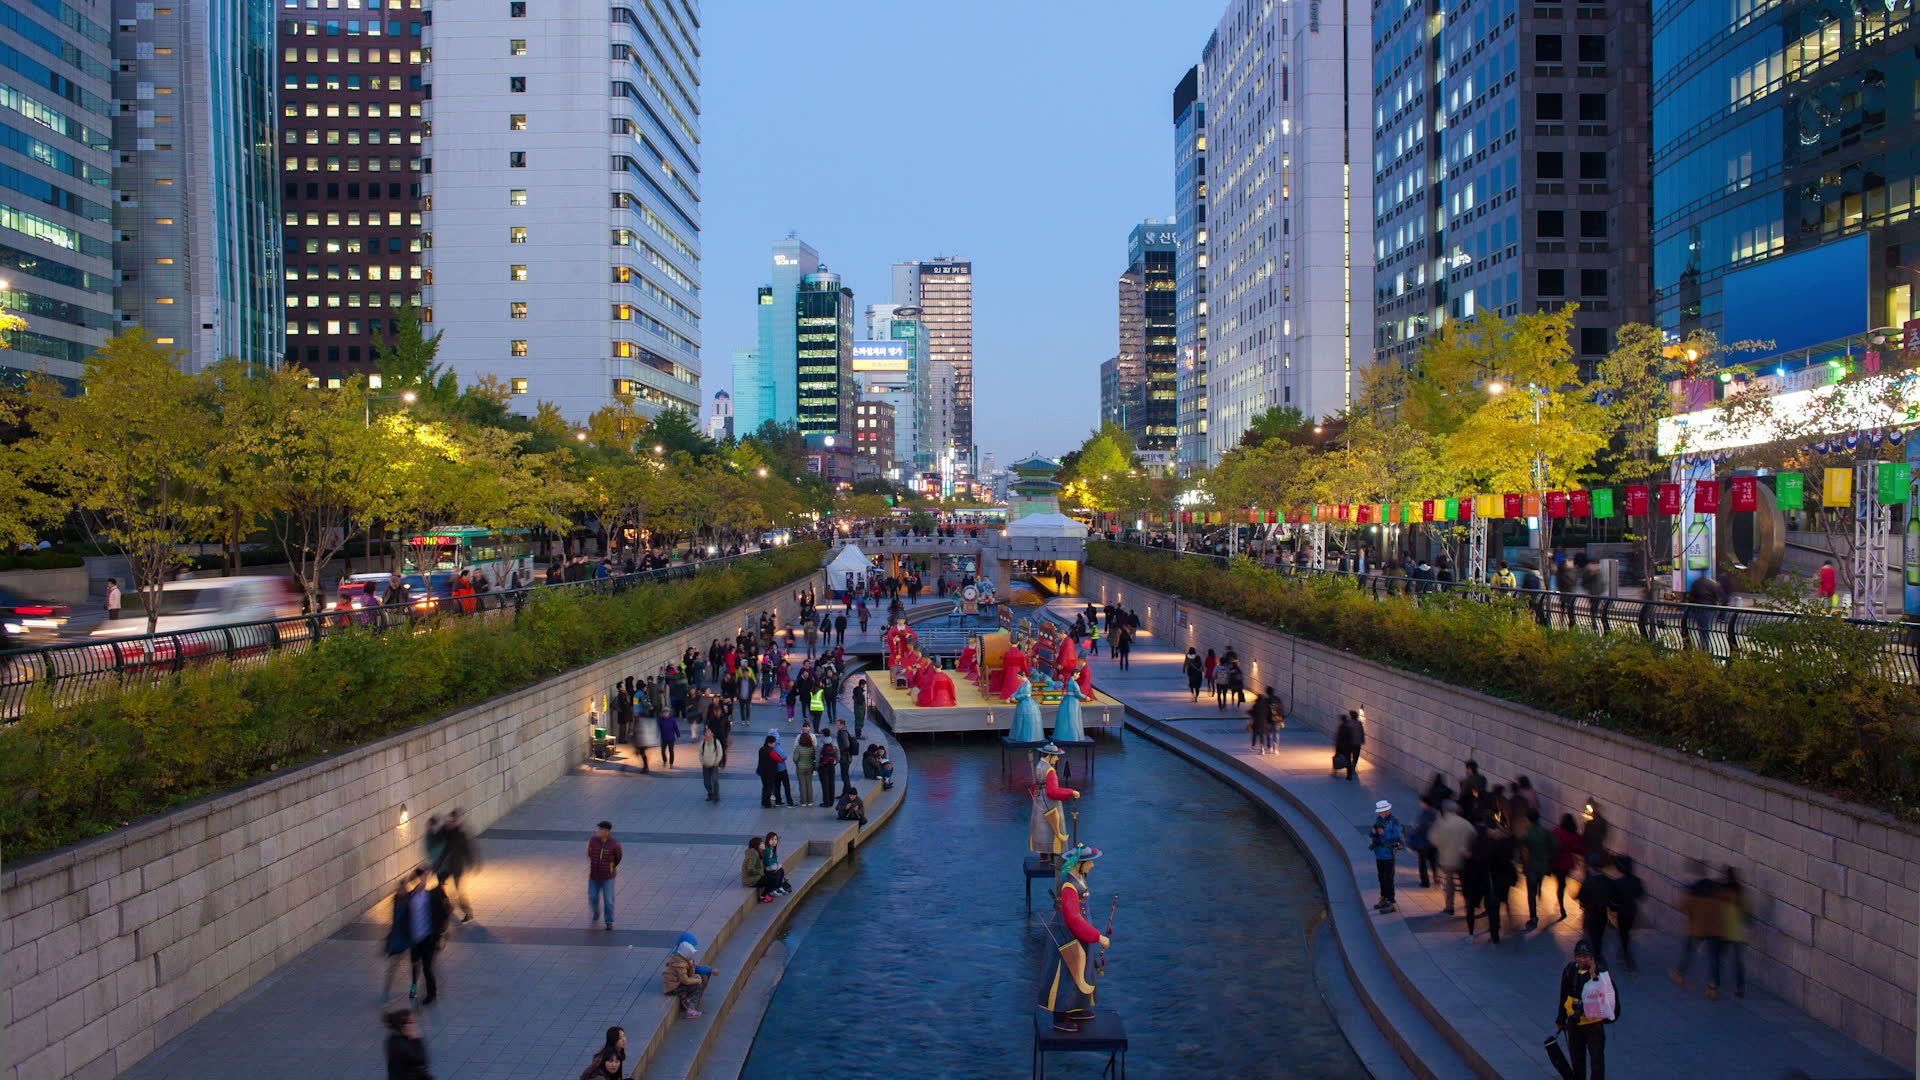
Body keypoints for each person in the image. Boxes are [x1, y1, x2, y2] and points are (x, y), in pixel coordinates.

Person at [385, 867, 451, 1005]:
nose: (422, 882)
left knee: (427, 967)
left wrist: (442, 930)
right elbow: (399, 906)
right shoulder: (409, 898)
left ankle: (431, 994)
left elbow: (445, 910)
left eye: (425, 879)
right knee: (415, 964)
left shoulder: (432, 895)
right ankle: (414, 987)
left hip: (428, 938)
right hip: (415, 939)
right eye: (420, 880)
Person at [1555, 939, 1618, 1080]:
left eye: (1585, 957)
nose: (1582, 960)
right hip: (1574, 1022)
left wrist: (1594, 974)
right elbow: (1563, 994)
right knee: (1577, 1060)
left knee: (1597, 1061)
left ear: (1591, 957)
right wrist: (1561, 1018)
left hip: (1593, 1023)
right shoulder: (1570, 970)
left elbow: (1607, 992)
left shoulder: (1600, 972)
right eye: (1579, 956)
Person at [1429, 800, 1475, 916]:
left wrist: (1442, 846)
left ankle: (1449, 907)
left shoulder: (1441, 823)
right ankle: (1468, 903)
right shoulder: (1465, 823)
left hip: (1447, 858)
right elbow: (1474, 837)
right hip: (1462, 857)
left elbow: (1433, 839)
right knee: (1465, 882)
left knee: (1449, 883)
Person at [431, 810, 477, 923]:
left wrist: (471, 862)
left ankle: (468, 913)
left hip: (457, 867)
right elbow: (440, 840)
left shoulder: (460, 834)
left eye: (453, 821)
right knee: (440, 885)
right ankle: (446, 907)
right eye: (450, 820)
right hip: (448, 866)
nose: (451, 823)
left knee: (458, 891)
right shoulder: (448, 832)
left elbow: (467, 850)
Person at [662, 932, 717, 1019]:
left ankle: (689, 999)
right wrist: (697, 980)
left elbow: (692, 973)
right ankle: (690, 1009)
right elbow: (685, 980)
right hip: (673, 988)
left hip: (678, 982)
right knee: (697, 986)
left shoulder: (683, 959)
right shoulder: (680, 963)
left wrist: (691, 965)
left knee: (701, 978)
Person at [1713, 867, 1748, 999]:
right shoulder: (1740, 896)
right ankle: (1740, 988)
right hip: (1738, 934)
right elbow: (1746, 914)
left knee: (1716, 957)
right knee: (1738, 963)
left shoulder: (1722, 895)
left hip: (1724, 933)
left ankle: (1716, 982)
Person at [1577, 855, 1617, 964]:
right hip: (1602, 913)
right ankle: (1598, 954)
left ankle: (1592, 956)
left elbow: (1581, 895)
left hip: (1591, 913)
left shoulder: (1589, 881)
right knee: (1599, 936)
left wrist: (1583, 904)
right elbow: (1613, 896)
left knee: (1590, 935)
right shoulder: (1608, 881)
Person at [1521, 809, 1555, 930]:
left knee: (1531, 894)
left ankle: (1534, 917)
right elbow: (1555, 846)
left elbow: (1523, 850)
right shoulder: (1546, 832)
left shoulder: (1528, 834)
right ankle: (1539, 887)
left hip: (1532, 867)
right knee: (1537, 882)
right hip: (1543, 866)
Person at [1368, 800, 1404, 912]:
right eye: (1380, 812)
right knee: (1381, 877)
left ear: (1388, 810)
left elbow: (1396, 836)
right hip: (1379, 853)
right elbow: (1371, 834)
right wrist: (1373, 832)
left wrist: (1385, 834)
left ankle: (1391, 901)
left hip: (1388, 854)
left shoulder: (1394, 821)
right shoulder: (1378, 820)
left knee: (1388, 878)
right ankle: (1383, 898)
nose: (1381, 814)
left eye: (1383, 811)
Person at [1611, 856, 1644, 972]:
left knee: (1623, 933)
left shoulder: (1618, 883)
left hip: (1622, 911)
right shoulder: (1637, 881)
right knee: (1626, 932)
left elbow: (1614, 899)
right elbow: (1641, 895)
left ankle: (1628, 959)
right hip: (1632, 911)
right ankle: (1623, 953)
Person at [1550, 813, 1586, 919]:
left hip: (1555, 862)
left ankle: (1561, 904)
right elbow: (1580, 849)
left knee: (1560, 883)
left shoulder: (1556, 831)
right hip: (1566, 864)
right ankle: (1561, 905)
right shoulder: (1572, 835)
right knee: (1562, 884)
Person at [587, 821, 621, 931]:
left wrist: (611, 867)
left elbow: (618, 857)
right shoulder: (593, 841)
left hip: (608, 877)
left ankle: (609, 921)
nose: (598, 831)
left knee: (609, 900)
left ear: (606, 832)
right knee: (592, 896)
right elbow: (589, 853)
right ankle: (596, 912)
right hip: (594, 876)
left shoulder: (614, 844)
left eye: (600, 829)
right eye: (598, 829)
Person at [384, 1008, 432, 1080]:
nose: (415, 1025)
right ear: (404, 1026)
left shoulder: (393, 1039)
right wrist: (416, 1040)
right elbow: (420, 1060)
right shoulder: (401, 1044)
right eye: (412, 1022)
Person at [1408, 798, 1438, 888]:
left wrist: (1416, 827)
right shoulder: (1435, 813)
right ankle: (1436, 879)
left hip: (1424, 842)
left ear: (1426, 803)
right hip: (1433, 841)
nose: (1421, 804)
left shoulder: (1425, 813)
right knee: (1433, 861)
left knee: (1423, 862)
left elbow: (1420, 826)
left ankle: (1425, 881)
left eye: (1422, 802)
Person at [757, 832, 791, 902]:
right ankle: (768, 892)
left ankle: (778, 887)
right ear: (767, 840)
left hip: (769, 868)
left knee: (781, 870)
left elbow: (775, 859)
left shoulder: (772, 849)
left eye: (775, 839)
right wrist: (777, 866)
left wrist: (777, 866)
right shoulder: (766, 850)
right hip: (763, 870)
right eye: (772, 839)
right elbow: (768, 864)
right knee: (774, 875)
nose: (774, 841)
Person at [1333, 710, 1362, 781]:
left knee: (1340, 758)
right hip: (1355, 743)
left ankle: (1336, 772)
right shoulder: (1358, 723)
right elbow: (1361, 733)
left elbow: (1340, 737)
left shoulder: (1345, 725)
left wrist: (1338, 745)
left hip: (1345, 745)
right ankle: (1351, 772)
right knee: (1354, 757)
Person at [793, 730, 818, 807]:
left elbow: (795, 758)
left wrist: (798, 763)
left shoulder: (798, 748)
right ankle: (810, 801)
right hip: (809, 767)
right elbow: (814, 757)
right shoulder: (812, 747)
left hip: (800, 767)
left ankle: (803, 801)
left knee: (802, 785)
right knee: (809, 784)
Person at [699, 726, 723, 802]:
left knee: (715, 781)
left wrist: (716, 762)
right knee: (706, 782)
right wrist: (702, 761)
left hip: (714, 765)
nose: (706, 735)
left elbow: (720, 753)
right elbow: (700, 753)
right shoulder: (702, 743)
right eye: (706, 733)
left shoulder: (716, 742)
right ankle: (710, 793)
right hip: (705, 765)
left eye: (708, 733)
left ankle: (716, 795)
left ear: (712, 734)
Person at [816, 731, 839, 807]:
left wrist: (817, 766)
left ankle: (826, 801)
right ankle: (832, 800)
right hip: (832, 765)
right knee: (832, 783)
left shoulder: (820, 744)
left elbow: (817, 756)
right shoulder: (834, 743)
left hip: (823, 766)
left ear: (823, 735)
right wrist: (835, 763)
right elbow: (838, 754)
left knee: (825, 784)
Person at [834, 718, 856, 789]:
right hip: (846, 757)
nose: (836, 726)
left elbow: (846, 745)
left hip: (845, 757)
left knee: (845, 776)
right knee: (844, 775)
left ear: (842, 724)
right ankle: (845, 792)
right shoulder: (844, 731)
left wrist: (839, 751)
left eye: (838, 724)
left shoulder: (843, 733)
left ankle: (848, 791)